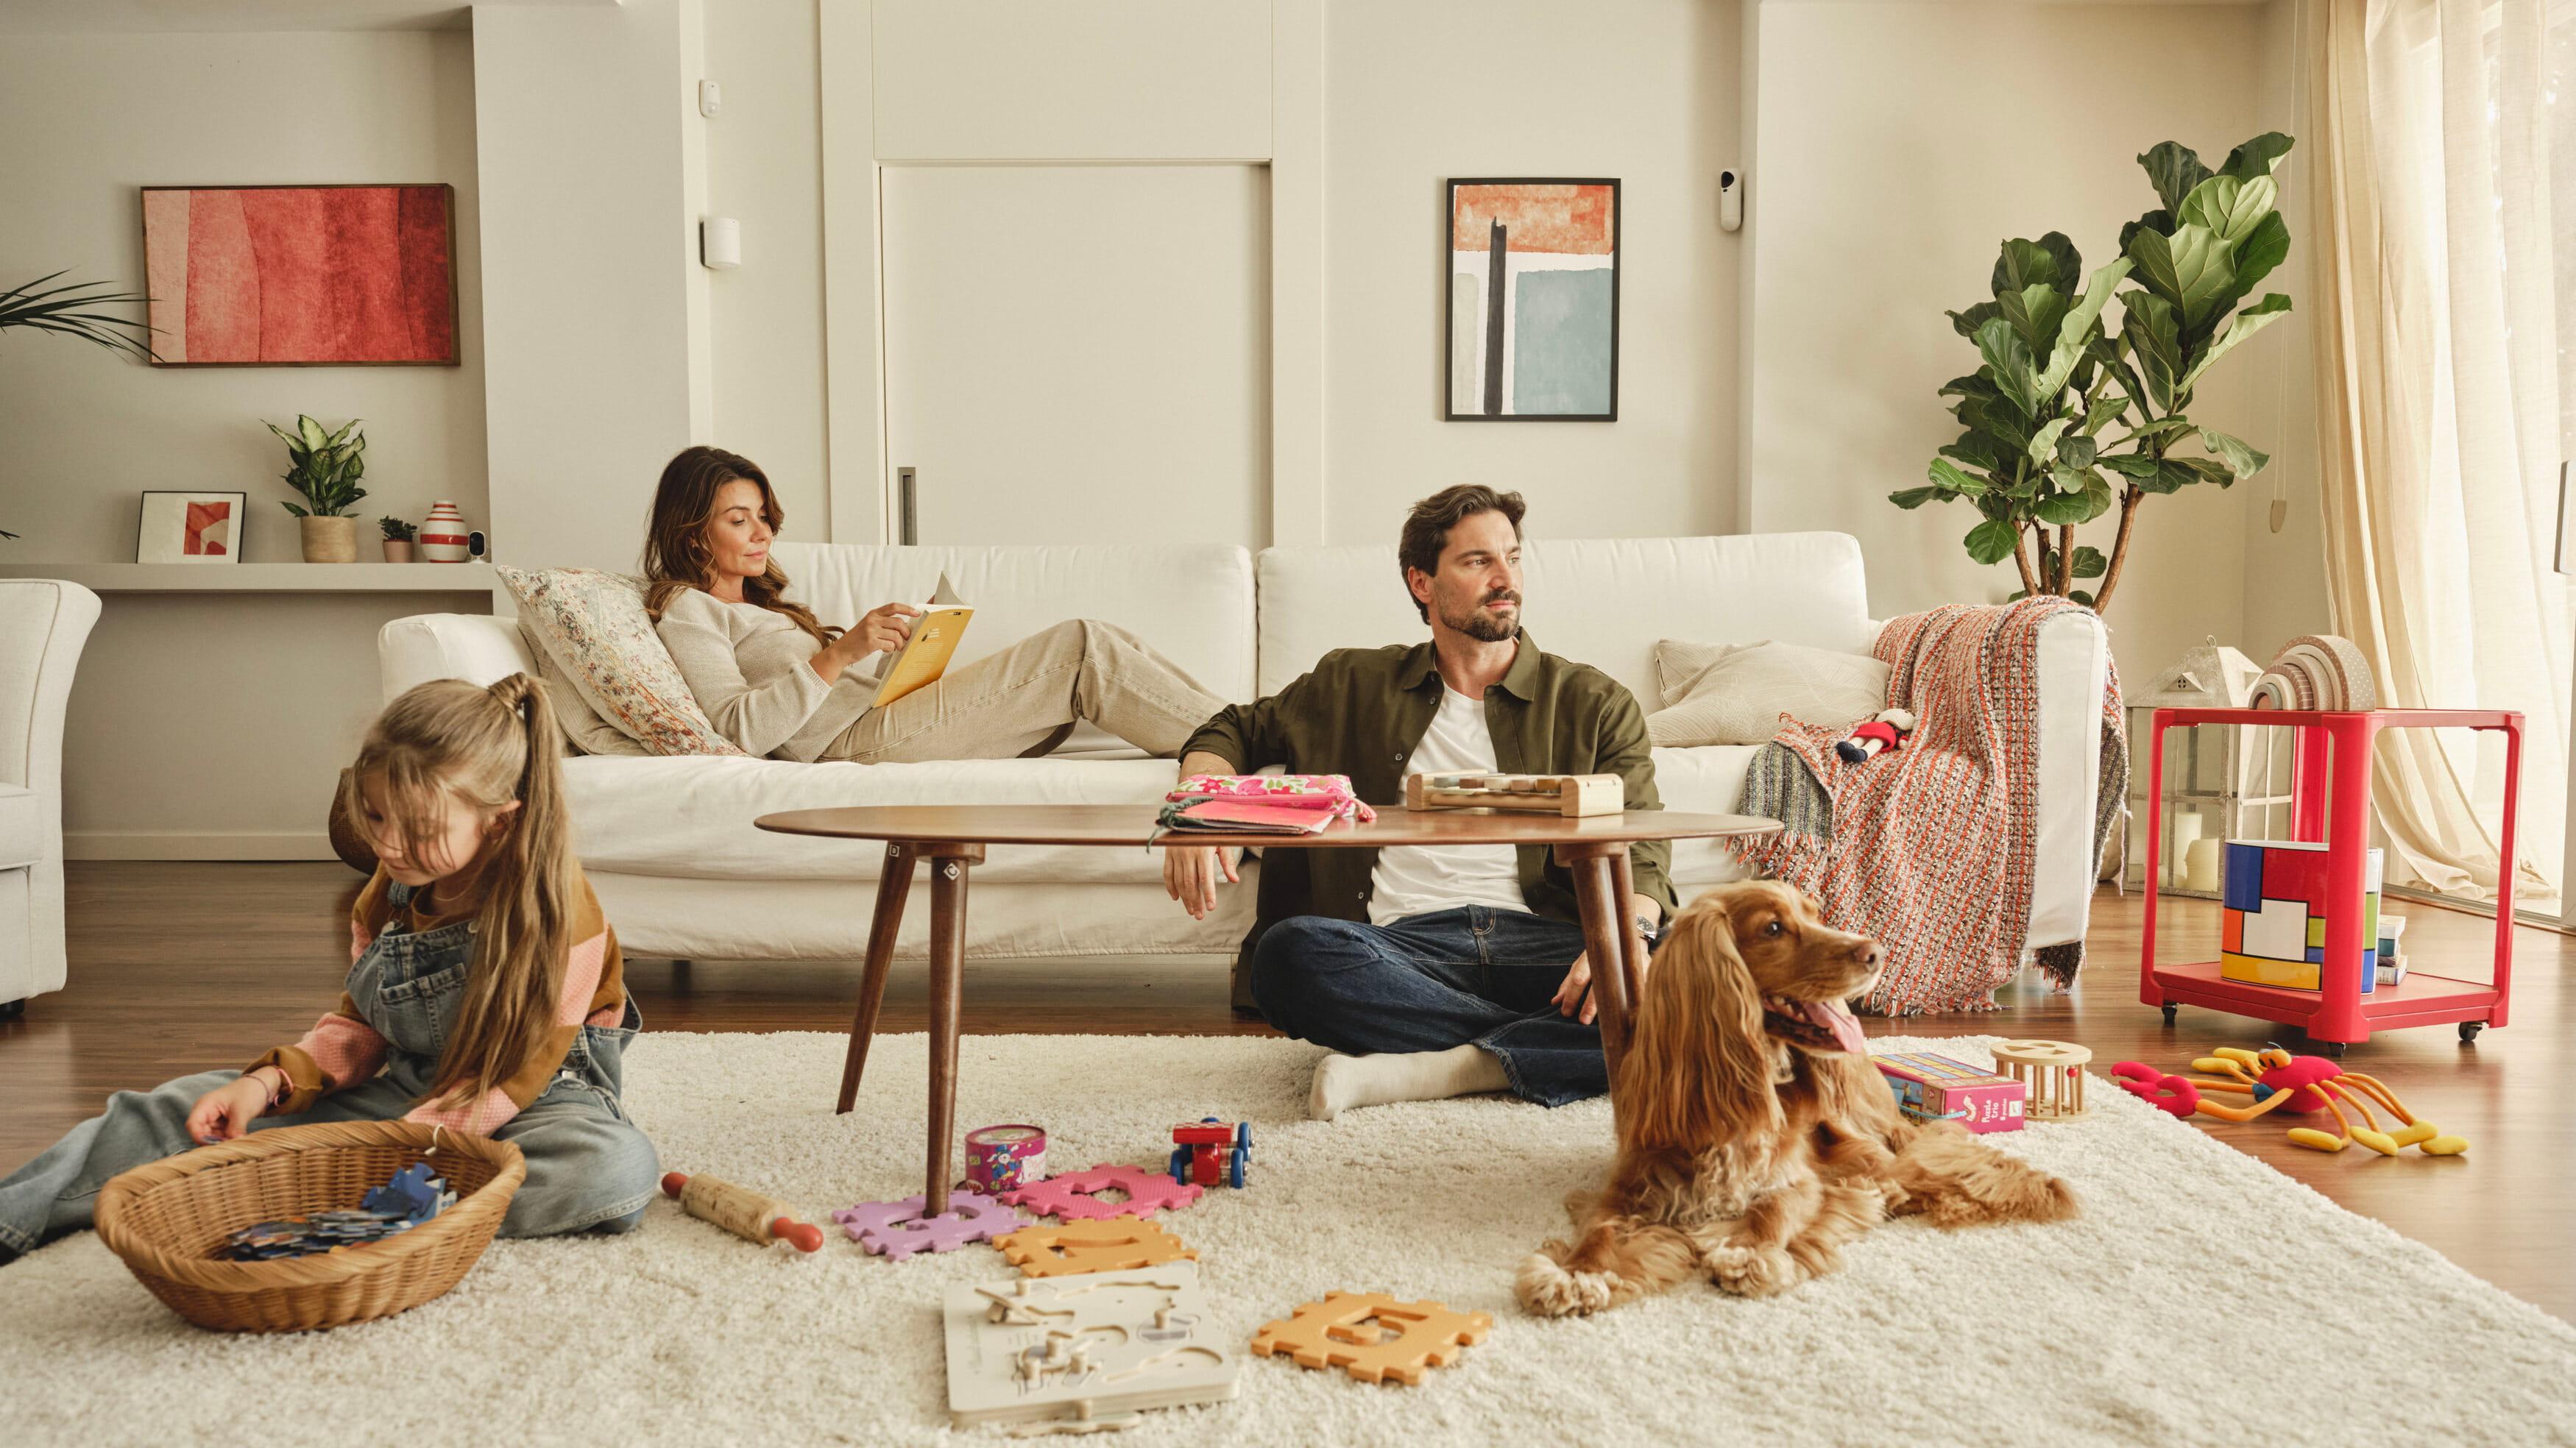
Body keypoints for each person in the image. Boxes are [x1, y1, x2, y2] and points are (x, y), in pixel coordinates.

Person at [0, 677, 659, 1264]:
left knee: (612, 1170)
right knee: (178, 1108)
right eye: (374, 816)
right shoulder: (391, 890)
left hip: (533, 1101)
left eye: (419, 829)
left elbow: (521, 1070)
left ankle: (345, 1218)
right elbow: (362, 1028)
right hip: (407, 1091)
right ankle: (12, 1221)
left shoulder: (560, 911)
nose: (389, 845)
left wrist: (408, 1146)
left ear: (498, 823)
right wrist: (266, 1084)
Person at [1162, 486, 1675, 1121]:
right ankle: (1554, 1045)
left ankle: (1446, 1063)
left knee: (1692, 968)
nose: (1505, 578)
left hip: (1545, 944)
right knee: (1288, 957)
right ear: (1422, 582)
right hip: (1397, 949)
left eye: (1513, 558)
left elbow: (1646, 839)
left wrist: (1632, 935)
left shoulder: (1595, 702)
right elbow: (1232, 729)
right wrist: (1197, 808)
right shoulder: (1351, 682)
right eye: (1477, 562)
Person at [645, 446, 1225, 762]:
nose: (762, 533)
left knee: (1103, 640)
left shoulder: (761, 605)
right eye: (738, 520)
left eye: (764, 517)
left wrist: (903, 654)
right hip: (851, 746)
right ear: (693, 530)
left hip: (874, 719)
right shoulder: (690, 611)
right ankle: (1253, 739)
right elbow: (736, 732)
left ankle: (1244, 729)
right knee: (1080, 648)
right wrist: (840, 654)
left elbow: (823, 696)